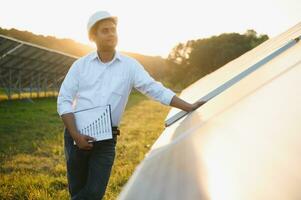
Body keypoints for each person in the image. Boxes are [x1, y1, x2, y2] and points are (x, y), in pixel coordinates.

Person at [57, 10, 206, 200]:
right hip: (76, 135)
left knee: (94, 193)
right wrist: (76, 135)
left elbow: (154, 88)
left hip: (106, 139)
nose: (111, 34)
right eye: (105, 30)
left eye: (113, 30)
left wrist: (188, 106)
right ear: (93, 36)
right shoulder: (80, 66)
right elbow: (64, 100)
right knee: (77, 190)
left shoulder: (129, 66)